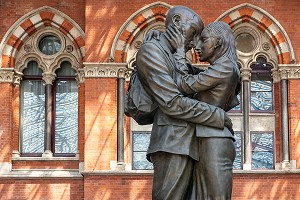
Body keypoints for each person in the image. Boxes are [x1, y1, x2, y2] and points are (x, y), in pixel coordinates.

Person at [136, 6, 233, 200]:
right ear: (177, 21)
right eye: (194, 32)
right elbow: (172, 102)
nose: (195, 42)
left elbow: (202, 78)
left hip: (191, 142)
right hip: (172, 142)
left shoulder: (171, 54)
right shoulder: (152, 51)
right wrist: (216, 115)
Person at [170, 21, 240, 199]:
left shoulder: (225, 67)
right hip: (205, 137)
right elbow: (194, 75)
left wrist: (179, 52)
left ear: (217, 42)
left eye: (204, 40)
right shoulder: (223, 68)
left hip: (214, 138)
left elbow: (183, 84)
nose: (197, 47)